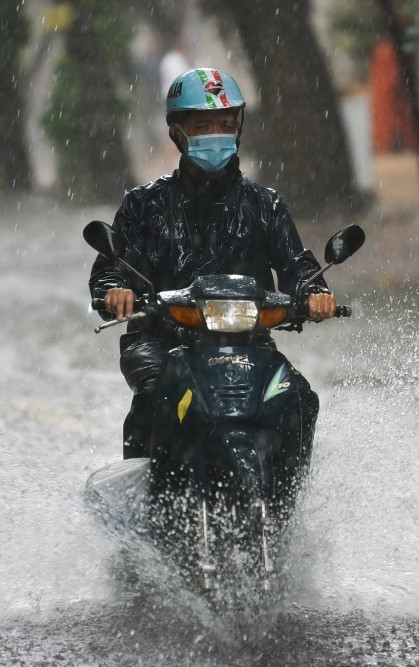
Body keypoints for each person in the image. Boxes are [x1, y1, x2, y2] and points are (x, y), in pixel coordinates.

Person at [89, 67, 336, 460]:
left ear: (239, 128)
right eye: (202, 126)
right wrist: (115, 291)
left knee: (299, 399)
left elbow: (298, 267)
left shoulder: (266, 205)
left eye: (225, 124)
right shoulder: (143, 204)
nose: (216, 134)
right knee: (155, 396)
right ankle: (146, 481)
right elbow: (111, 270)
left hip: (247, 344)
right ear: (177, 132)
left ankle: (288, 491)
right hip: (162, 343)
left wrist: (316, 292)